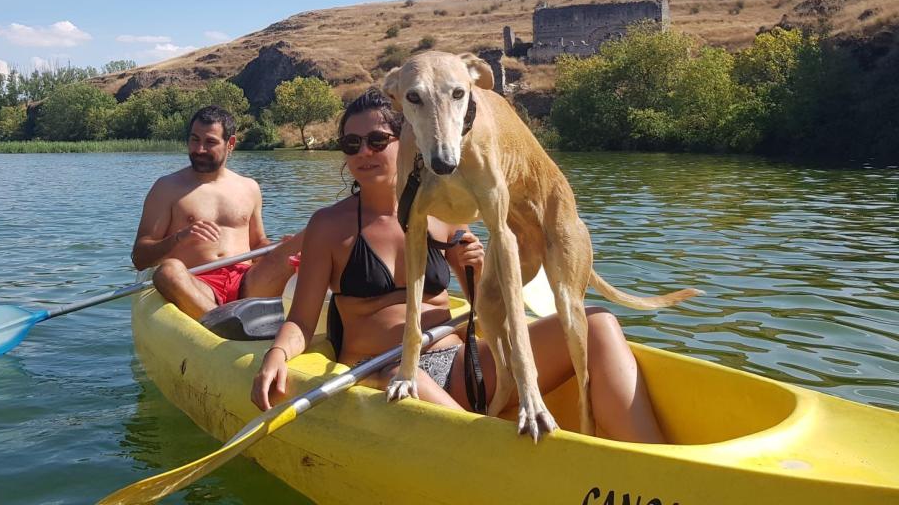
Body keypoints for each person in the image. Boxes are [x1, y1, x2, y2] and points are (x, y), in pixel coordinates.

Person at [251, 88, 666, 443]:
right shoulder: (328, 225)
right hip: (382, 370)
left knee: (598, 323)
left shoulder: (447, 212)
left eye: (377, 140)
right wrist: (277, 353)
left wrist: (478, 272)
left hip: (461, 362)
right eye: (351, 144)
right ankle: (494, 458)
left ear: (407, 139)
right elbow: (302, 321)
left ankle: (657, 467)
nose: (364, 153)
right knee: (409, 375)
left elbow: (487, 312)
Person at [132, 104, 301, 320]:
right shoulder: (166, 188)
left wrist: (279, 247)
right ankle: (223, 323)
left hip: (247, 280)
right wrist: (178, 238)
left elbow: (258, 244)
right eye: (194, 139)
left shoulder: (249, 187)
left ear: (230, 144)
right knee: (167, 271)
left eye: (210, 142)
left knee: (306, 240)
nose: (199, 149)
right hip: (197, 283)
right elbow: (140, 257)